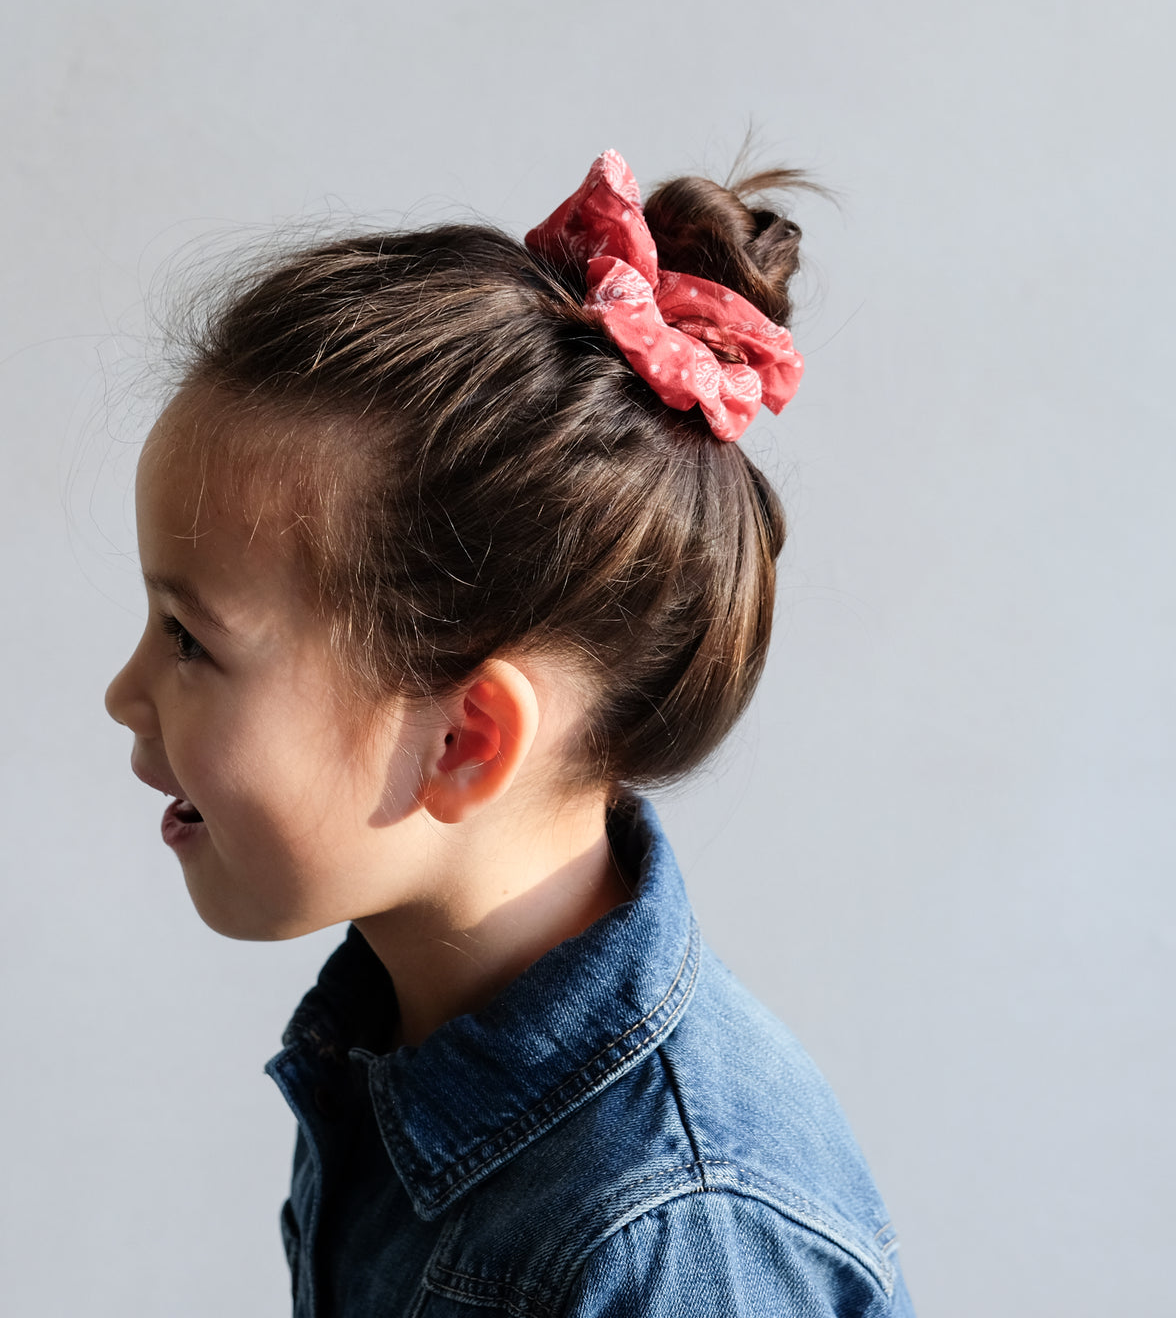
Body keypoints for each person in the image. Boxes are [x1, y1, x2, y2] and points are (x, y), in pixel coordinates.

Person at [105, 150, 915, 1316]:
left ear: (462, 741)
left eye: (188, 640)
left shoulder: (678, 1235)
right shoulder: (394, 1046)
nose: (124, 692)